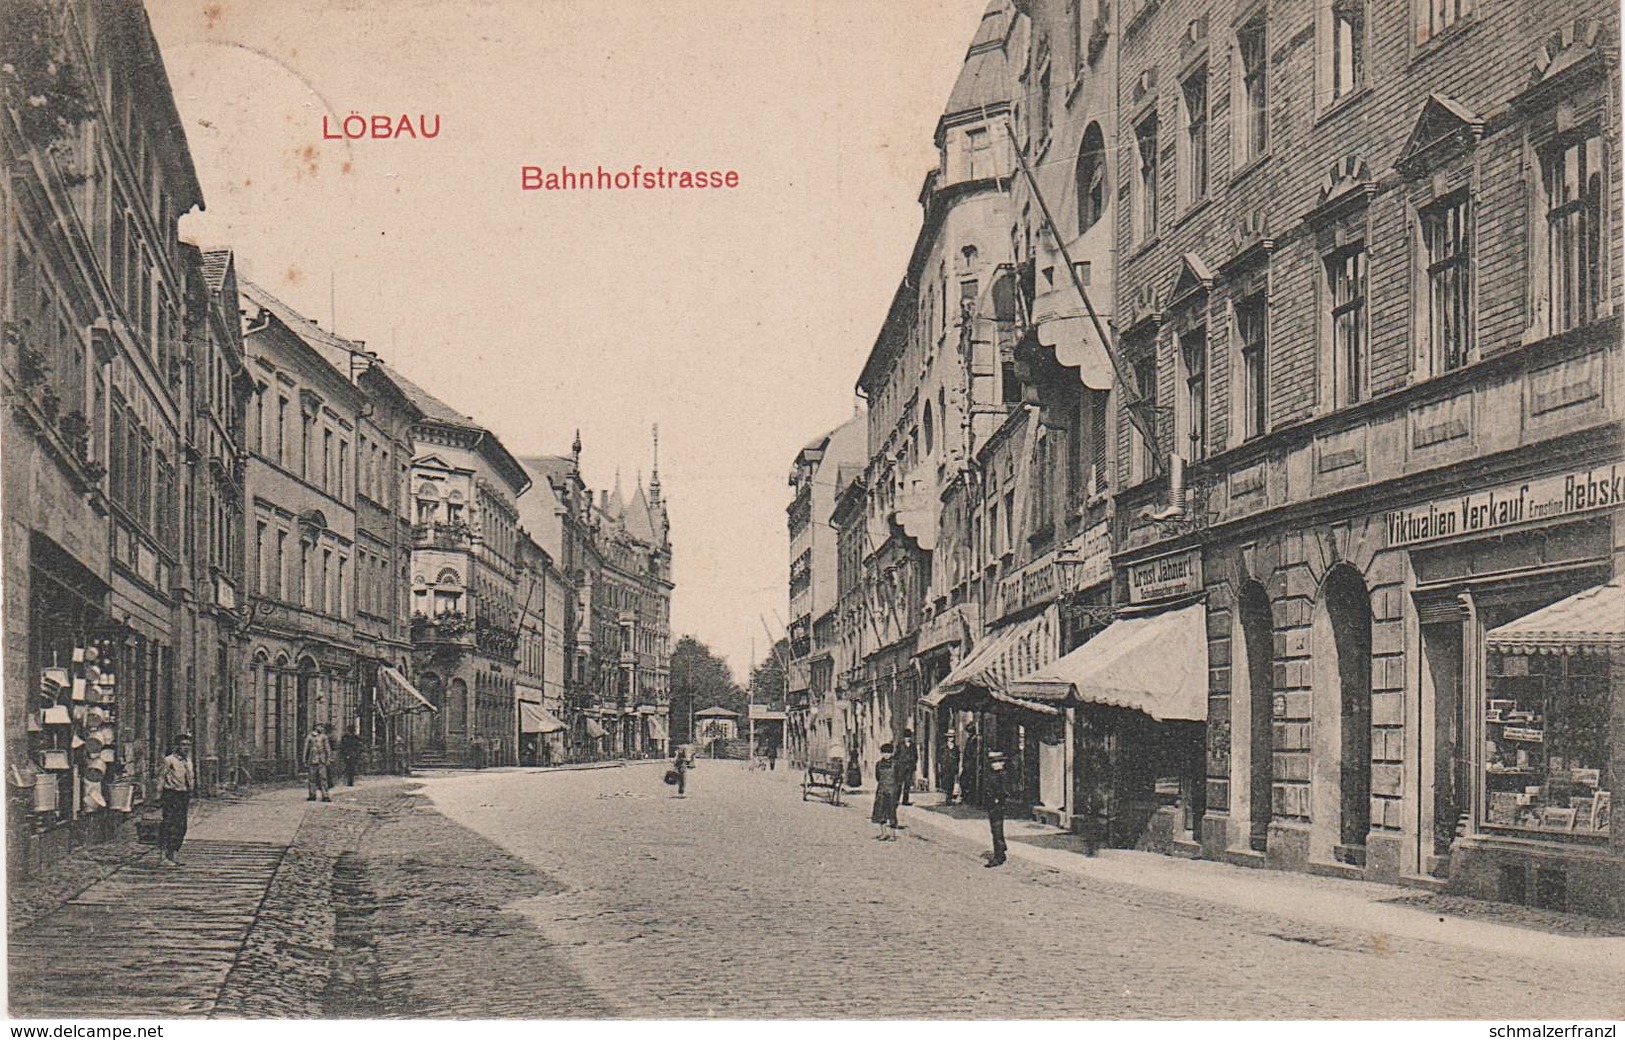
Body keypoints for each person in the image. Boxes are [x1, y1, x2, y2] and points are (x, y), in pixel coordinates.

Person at [157, 733, 197, 866]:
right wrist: (158, 795)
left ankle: (173, 855)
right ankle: (163, 857)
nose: (186, 747)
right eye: (183, 745)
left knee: (181, 826)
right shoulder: (169, 760)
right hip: (171, 794)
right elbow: (161, 777)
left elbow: (190, 778)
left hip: (183, 795)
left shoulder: (188, 761)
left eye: (188, 745)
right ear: (177, 746)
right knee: (169, 824)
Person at [985, 750, 1009, 867]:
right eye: (992, 762)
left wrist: (998, 799)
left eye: (996, 762)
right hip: (992, 805)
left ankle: (998, 856)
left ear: (1001, 763)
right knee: (995, 829)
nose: (993, 764)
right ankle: (1001, 850)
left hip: (997, 805)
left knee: (997, 829)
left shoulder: (1002, 775)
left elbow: (1004, 791)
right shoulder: (993, 773)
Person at [871, 742, 900, 841]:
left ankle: (892, 834)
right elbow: (877, 777)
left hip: (892, 791)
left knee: (892, 812)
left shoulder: (895, 764)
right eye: (884, 753)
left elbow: (899, 778)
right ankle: (883, 833)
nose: (886, 755)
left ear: (891, 753)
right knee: (881, 812)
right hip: (881, 790)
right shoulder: (878, 764)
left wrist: (896, 791)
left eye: (888, 753)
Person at [304, 723, 333, 802]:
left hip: (321, 761)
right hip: (312, 760)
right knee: (312, 779)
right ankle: (312, 795)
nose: (321, 728)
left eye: (322, 727)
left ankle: (325, 795)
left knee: (323, 778)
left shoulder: (324, 737)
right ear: (315, 727)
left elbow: (327, 749)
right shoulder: (310, 737)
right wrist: (304, 760)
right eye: (319, 727)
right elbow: (306, 749)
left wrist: (329, 759)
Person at [896, 730, 919, 806]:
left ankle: (905, 800)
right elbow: (896, 755)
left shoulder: (913, 745)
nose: (907, 738)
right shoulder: (900, 745)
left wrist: (913, 764)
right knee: (899, 784)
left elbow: (916, 756)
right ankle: (896, 800)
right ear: (904, 737)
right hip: (901, 768)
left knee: (907, 784)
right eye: (906, 737)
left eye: (908, 737)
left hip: (909, 768)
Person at [940, 733, 961, 805]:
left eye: (952, 737)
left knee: (952, 782)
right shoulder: (944, 747)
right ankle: (947, 798)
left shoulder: (956, 748)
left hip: (953, 767)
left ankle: (949, 798)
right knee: (946, 782)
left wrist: (957, 767)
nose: (951, 738)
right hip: (945, 767)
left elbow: (958, 758)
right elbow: (940, 758)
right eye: (949, 737)